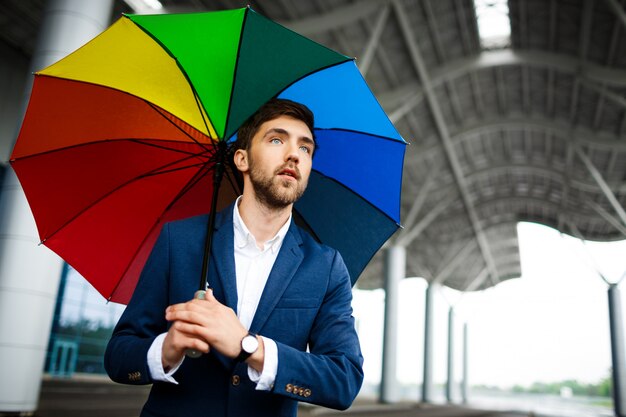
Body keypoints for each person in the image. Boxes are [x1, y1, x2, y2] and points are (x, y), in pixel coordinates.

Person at [104, 98, 364, 417]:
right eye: (276, 139)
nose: (294, 154)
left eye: (305, 148)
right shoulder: (180, 240)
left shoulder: (326, 266)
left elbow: (344, 380)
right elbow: (118, 355)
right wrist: (167, 349)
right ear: (241, 158)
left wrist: (249, 346)